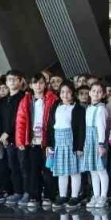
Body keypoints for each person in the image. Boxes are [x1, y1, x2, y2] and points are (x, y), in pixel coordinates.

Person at [15, 73, 58, 211]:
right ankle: (34, 196)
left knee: (48, 169)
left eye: (41, 83)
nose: (38, 86)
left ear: (45, 84)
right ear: (31, 85)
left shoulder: (52, 99)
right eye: (35, 83)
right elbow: (20, 121)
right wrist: (20, 140)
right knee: (33, 169)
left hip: (47, 141)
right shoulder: (26, 100)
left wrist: (53, 141)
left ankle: (49, 195)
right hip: (33, 141)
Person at [44, 81, 85, 209]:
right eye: (62, 92)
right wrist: (49, 144)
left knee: (74, 171)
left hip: (71, 142)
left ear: (73, 93)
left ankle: (74, 196)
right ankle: (62, 195)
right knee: (61, 171)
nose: (65, 95)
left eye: (68, 92)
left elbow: (81, 129)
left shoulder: (78, 108)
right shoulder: (55, 106)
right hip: (58, 142)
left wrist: (79, 147)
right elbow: (50, 126)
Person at [78, 79, 111, 209]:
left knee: (101, 169)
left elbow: (102, 128)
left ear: (103, 94)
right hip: (89, 141)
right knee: (93, 170)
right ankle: (96, 195)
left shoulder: (101, 109)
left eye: (99, 92)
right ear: (90, 93)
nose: (96, 93)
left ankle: (103, 196)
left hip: (98, 142)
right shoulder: (89, 108)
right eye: (94, 91)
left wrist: (101, 144)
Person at [0, 71, 28, 205]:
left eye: (15, 79)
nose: (12, 81)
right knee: (13, 166)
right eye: (9, 79)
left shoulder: (24, 97)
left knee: (24, 166)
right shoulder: (3, 100)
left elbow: (19, 118)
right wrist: (2, 135)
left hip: (20, 137)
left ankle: (27, 192)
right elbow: (0, 119)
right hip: (7, 139)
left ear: (21, 81)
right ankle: (17, 192)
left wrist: (7, 132)